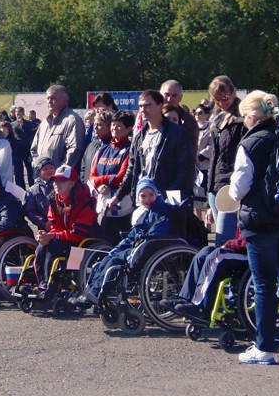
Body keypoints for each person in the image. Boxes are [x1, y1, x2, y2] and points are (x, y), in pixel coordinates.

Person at [229, 90, 279, 364]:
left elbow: (239, 187)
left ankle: (263, 347)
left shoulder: (250, 142)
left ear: (252, 116)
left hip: (261, 222)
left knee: (263, 283)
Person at [74, 177, 172, 305]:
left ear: (156, 194)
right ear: (138, 197)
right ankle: (88, 293)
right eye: (143, 196)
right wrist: (117, 248)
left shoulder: (161, 212)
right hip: (138, 246)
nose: (147, 199)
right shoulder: (143, 213)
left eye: (151, 195)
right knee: (106, 260)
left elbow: (156, 234)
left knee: (113, 262)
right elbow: (132, 237)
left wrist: (137, 243)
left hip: (149, 247)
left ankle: (94, 295)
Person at [116, 89, 194, 215]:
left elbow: (185, 169)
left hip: (167, 202)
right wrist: (118, 196)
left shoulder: (177, 133)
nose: (143, 110)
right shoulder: (139, 136)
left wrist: (168, 196)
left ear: (160, 106)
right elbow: (132, 169)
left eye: (147, 105)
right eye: (140, 106)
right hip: (143, 201)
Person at [32, 164, 98, 291]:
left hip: (84, 243)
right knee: (42, 247)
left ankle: (50, 285)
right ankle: (42, 283)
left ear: (72, 183)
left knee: (54, 245)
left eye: (61, 181)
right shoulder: (54, 201)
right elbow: (55, 227)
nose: (56, 184)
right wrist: (45, 236)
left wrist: (53, 236)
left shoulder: (86, 203)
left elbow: (79, 234)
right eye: (55, 181)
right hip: (65, 239)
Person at [205, 76, 246, 246]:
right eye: (217, 99)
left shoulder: (243, 119)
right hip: (215, 185)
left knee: (223, 242)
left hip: (230, 186)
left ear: (234, 92)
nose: (221, 103)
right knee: (224, 240)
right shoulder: (217, 119)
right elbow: (215, 157)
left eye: (225, 98)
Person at [91, 111, 134, 243]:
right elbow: (92, 176)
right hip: (104, 206)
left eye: (119, 125)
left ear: (129, 129)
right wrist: (100, 185)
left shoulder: (130, 149)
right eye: (113, 124)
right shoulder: (103, 149)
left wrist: (102, 180)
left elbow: (122, 176)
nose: (115, 128)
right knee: (105, 241)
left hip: (123, 207)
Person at [30, 85, 86, 170]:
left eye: (53, 98)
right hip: (42, 176)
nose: (49, 101)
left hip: (61, 176)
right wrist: (39, 167)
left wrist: (61, 172)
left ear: (65, 100)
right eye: (48, 98)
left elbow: (74, 150)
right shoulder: (44, 122)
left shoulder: (72, 120)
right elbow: (34, 149)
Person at [24, 156, 55, 231]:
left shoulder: (59, 184)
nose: (49, 171)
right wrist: (43, 223)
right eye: (45, 169)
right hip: (44, 228)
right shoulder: (33, 190)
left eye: (51, 168)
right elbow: (30, 211)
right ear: (38, 172)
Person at [12, 106, 36, 187]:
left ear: (23, 114)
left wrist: (23, 125)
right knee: (18, 172)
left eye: (20, 114)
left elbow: (30, 135)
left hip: (26, 150)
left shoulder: (28, 124)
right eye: (17, 114)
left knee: (30, 170)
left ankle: (32, 187)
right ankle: (20, 189)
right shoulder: (12, 124)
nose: (18, 116)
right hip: (17, 151)